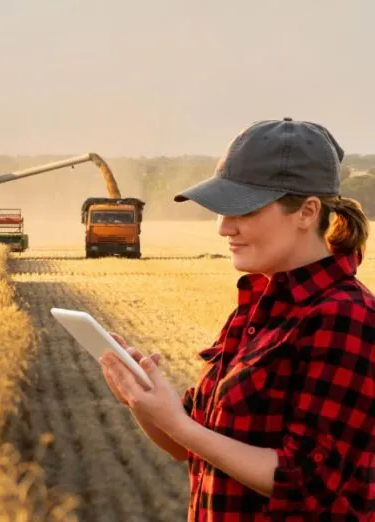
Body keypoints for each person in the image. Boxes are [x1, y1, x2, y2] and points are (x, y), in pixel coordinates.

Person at [99, 117, 373, 521]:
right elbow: (188, 443)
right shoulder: (259, 307)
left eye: (241, 209)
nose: (224, 228)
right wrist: (141, 399)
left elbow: (307, 483)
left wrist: (179, 423)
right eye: (219, 211)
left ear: (307, 211)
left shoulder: (346, 316)